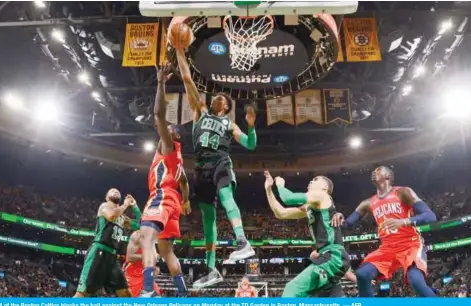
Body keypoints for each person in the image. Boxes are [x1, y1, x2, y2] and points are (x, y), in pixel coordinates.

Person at [176, 44, 257, 289]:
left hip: (221, 161)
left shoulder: (230, 124)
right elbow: (187, 79)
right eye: (216, 97)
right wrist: (180, 52)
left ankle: (242, 240)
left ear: (227, 107)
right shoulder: (200, 112)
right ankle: (211, 269)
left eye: (223, 99)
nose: (218, 98)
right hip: (201, 168)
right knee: (208, 220)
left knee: (226, 197)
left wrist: (251, 126)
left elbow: (250, 145)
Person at [330, 166, 437, 297]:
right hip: (387, 248)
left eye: (378, 170)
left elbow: (430, 216)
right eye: (373, 171)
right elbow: (346, 224)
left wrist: (403, 221)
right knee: (362, 274)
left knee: (415, 280)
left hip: (410, 244)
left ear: (388, 176)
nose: (374, 172)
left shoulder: (403, 191)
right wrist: (339, 215)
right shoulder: (368, 203)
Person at [138, 64, 190, 297]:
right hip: (174, 203)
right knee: (167, 250)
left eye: (167, 130)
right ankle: (182, 292)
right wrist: (186, 201)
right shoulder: (178, 159)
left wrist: (160, 82)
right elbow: (185, 182)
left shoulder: (168, 147)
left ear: (172, 134)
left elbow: (158, 114)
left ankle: (148, 289)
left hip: (160, 196)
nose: (162, 130)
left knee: (146, 238)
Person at [263, 171, 350, 297]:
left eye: (315, 180)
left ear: (324, 187)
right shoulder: (310, 206)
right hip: (328, 257)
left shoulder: (322, 196)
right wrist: (268, 190)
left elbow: (289, 198)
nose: (311, 181)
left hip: (332, 256)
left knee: (291, 290)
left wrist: (280, 185)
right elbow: (280, 213)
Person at [74, 189, 137, 297]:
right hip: (99, 252)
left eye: (118, 191)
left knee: (125, 294)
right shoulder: (104, 206)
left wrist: (135, 207)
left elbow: (139, 225)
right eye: (112, 191)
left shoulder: (122, 217)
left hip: (112, 257)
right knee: (83, 293)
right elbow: (111, 216)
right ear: (107, 197)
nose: (116, 191)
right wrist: (125, 205)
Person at [123, 231, 161, 298]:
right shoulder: (137, 235)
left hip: (145, 274)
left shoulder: (152, 237)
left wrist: (154, 268)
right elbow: (129, 257)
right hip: (133, 275)